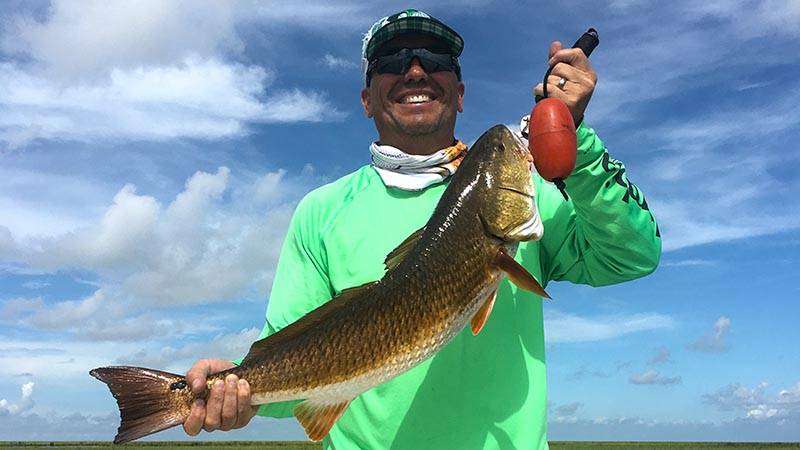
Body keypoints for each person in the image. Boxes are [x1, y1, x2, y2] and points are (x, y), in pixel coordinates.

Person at [182, 9, 661, 450]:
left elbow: (634, 254)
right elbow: (301, 378)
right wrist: (241, 390)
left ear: (460, 92)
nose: (415, 70)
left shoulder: (529, 198)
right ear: (367, 99)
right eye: (392, 60)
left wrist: (574, 138)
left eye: (436, 59)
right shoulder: (320, 212)